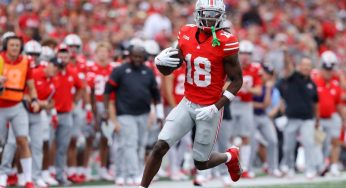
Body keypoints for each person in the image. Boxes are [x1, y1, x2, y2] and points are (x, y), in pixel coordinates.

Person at [139, 0, 244, 187]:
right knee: (159, 146)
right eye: (206, 13)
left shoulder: (226, 41)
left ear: (221, 16)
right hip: (187, 103)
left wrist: (215, 107)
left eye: (214, 14)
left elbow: (237, 81)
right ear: (197, 13)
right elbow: (169, 69)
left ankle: (230, 156)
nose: (210, 19)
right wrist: (160, 63)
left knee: (201, 163)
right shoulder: (186, 32)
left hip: (210, 106)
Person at [104, 45, 163, 186]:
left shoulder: (148, 72)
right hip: (125, 113)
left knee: (139, 145)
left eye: (140, 56)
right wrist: (107, 111)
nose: (137, 59)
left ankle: (124, 173)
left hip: (143, 113)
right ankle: (133, 173)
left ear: (144, 58)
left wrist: (158, 113)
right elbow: (107, 91)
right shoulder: (120, 70)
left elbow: (156, 95)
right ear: (130, 56)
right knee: (129, 144)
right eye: (134, 56)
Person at [0, 35, 40, 188]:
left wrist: (35, 100)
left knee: (23, 140)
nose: (15, 48)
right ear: (6, 46)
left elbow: (30, 85)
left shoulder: (25, 62)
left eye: (17, 45)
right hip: (1, 105)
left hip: (17, 105)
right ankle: (2, 175)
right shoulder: (0, 59)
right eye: (12, 45)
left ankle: (28, 179)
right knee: (1, 143)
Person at [279, 50, 319, 179]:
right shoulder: (293, 77)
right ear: (299, 66)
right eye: (304, 64)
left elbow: (316, 102)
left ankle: (310, 169)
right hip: (292, 118)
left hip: (307, 118)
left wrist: (317, 119)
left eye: (308, 65)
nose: (306, 67)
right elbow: (287, 66)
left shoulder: (312, 84)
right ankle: (289, 167)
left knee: (309, 143)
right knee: (288, 146)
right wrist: (286, 55)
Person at [51, 44, 84, 185]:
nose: (63, 58)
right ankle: (46, 173)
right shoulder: (51, 70)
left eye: (66, 56)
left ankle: (59, 174)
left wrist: (74, 102)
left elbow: (81, 87)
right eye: (61, 55)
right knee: (48, 144)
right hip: (51, 113)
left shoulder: (72, 71)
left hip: (66, 113)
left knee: (63, 146)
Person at [230, 40, 262, 178]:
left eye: (248, 53)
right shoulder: (231, 65)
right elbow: (223, 85)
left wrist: (247, 88)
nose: (245, 56)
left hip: (246, 105)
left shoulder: (255, 68)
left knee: (246, 137)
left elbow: (259, 91)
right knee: (229, 136)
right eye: (242, 53)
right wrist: (235, 88)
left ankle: (245, 168)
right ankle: (231, 167)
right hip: (231, 103)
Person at [85, 42, 117, 181]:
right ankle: (85, 168)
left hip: (109, 104)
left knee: (106, 137)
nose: (103, 54)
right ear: (96, 53)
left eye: (105, 52)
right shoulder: (90, 68)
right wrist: (89, 108)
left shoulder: (113, 68)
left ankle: (103, 168)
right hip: (94, 103)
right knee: (90, 138)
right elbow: (87, 90)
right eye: (100, 52)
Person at [311, 51, 344, 176]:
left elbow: (339, 102)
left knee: (335, 142)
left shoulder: (335, 82)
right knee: (319, 143)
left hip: (332, 116)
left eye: (330, 68)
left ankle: (333, 165)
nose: (328, 71)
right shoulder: (315, 79)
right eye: (326, 68)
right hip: (318, 117)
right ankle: (319, 166)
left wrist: (343, 118)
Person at [251, 63, 281, 177]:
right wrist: (259, 105)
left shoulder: (269, 87)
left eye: (269, 74)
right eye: (265, 73)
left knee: (273, 140)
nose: (266, 76)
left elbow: (266, 105)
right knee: (252, 142)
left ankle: (273, 168)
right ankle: (248, 168)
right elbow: (248, 102)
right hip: (251, 115)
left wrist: (268, 89)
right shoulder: (254, 82)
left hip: (263, 115)